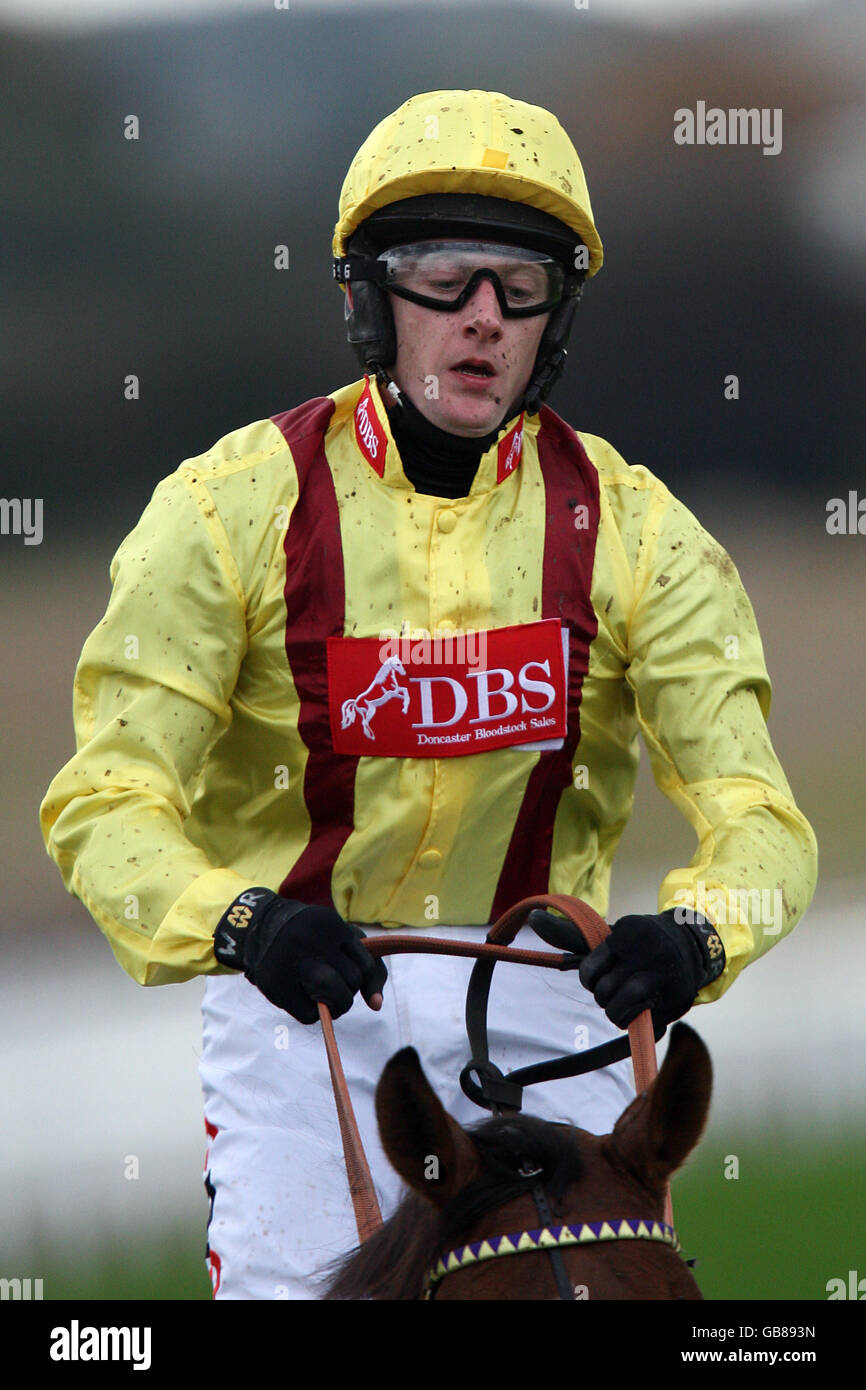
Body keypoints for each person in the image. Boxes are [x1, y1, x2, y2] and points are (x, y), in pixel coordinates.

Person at [40, 89, 817, 1300]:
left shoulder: (639, 529)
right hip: (306, 1011)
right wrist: (243, 922)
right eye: (442, 279)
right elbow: (105, 798)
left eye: (519, 287)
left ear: (553, 317)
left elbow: (758, 815)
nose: (482, 320)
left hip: (555, 1006)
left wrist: (694, 935)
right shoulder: (221, 509)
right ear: (364, 298)